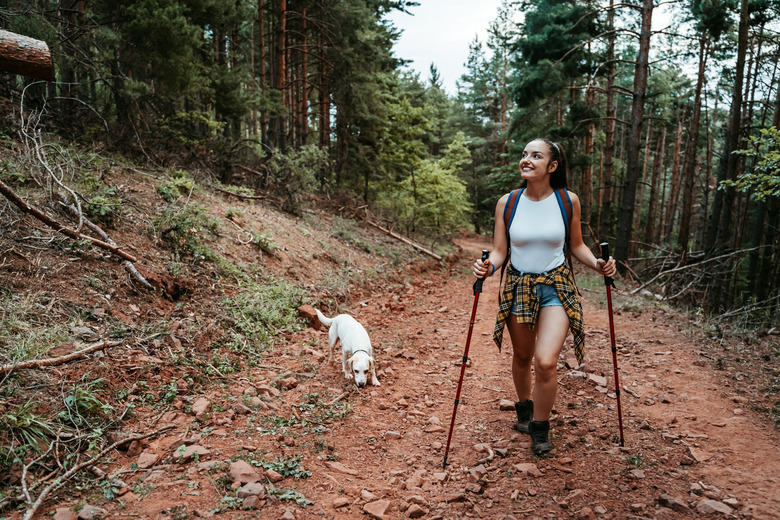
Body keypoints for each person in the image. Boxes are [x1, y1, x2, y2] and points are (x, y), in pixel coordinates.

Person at [473, 138, 617, 455]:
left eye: (536, 156)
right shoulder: (507, 203)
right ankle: (524, 408)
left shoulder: (568, 201)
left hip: (557, 286)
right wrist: (487, 268)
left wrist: (598, 264)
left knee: (546, 361)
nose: (527, 160)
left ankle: (540, 429)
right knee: (523, 356)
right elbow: (500, 252)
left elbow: (576, 245)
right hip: (518, 287)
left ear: (552, 166)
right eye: (524, 154)